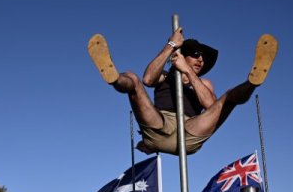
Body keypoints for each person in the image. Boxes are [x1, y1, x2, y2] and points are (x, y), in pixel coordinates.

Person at [88, 28, 278, 156]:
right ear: (180, 56)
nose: (200, 60)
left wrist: (186, 71)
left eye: (203, 58)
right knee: (132, 79)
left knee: (228, 98)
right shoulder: (165, 76)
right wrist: (170, 46)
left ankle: (253, 82)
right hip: (160, 127)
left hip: (190, 132)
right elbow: (147, 80)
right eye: (195, 54)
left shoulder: (204, 83)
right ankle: (114, 78)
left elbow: (212, 107)